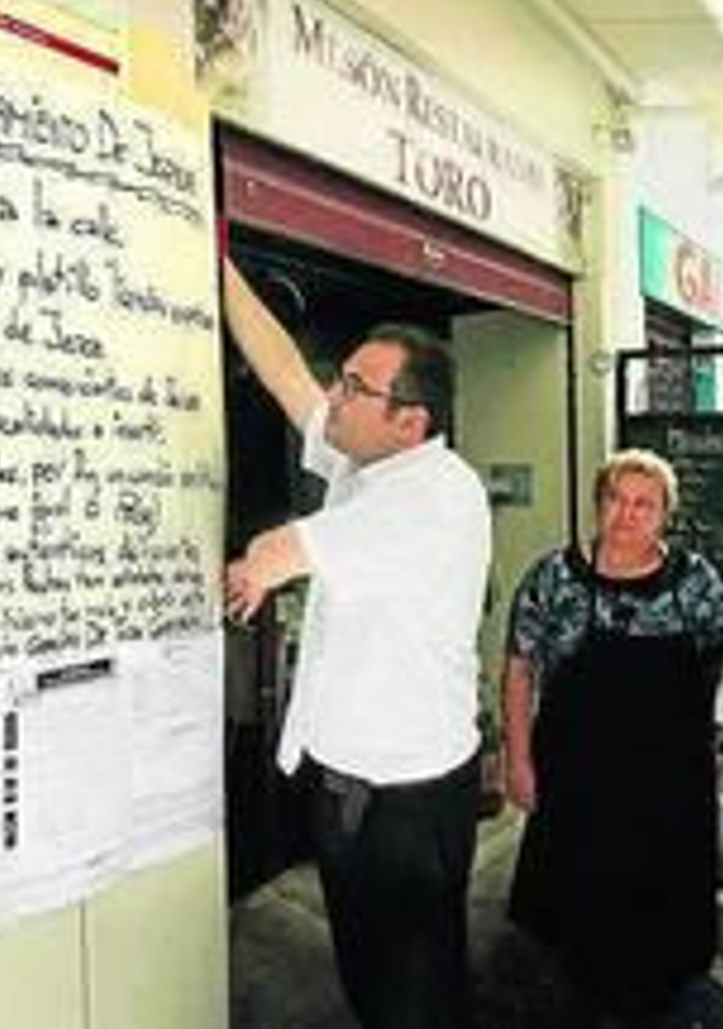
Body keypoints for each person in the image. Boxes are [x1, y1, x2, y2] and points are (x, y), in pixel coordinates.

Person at [220, 256, 491, 1029]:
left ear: (411, 421)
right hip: (348, 790)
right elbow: (283, 375)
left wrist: (240, 572)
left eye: (356, 388)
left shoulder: (435, 494)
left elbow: (272, 556)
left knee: (415, 998)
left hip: (404, 808)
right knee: (371, 983)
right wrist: (217, 262)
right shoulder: (363, 464)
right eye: (343, 379)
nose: (335, 395)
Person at [503, 449, 723, 1027]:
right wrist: (519, 761)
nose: (628, 515)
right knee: (578, 934)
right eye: (616, 500)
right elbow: (519, 669)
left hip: (671, 785)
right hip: (579, 782)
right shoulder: (554, 578)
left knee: (663, 938)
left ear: (665, 515)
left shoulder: (696, 581)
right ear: (598, 506)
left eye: (644, 504)